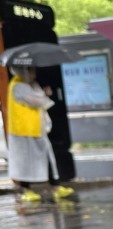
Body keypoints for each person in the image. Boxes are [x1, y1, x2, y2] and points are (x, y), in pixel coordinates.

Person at [7, 66, 74, 203]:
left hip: (36, 129)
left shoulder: (30, 84)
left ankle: (55, 186)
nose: (34, 74)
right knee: (24, 162)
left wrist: (43, 94)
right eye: (31, 71)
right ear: (23, 71)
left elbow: (41, 101)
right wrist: (44, 94)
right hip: (23, 131)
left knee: (48, 158)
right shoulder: (18, 85)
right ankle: (26, 190)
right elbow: (35, 101)